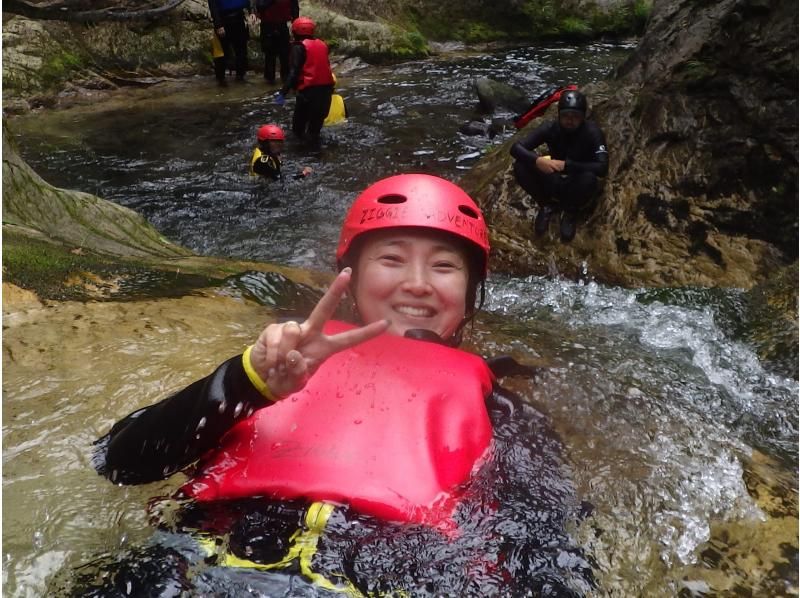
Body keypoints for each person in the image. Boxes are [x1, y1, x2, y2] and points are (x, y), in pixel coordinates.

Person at [87, 175, 594, 596]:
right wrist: (247, 381)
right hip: (206, 558)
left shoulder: (501, 410)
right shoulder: (274, 369)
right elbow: (120, 462)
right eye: (391, 259)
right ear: (349, 278)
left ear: (469, 293)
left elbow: (543, 548)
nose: (417, 282)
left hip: (397, 571)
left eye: (443, 266)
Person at [510, 89, 608, 243]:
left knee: (589, 179)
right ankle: (547, 205)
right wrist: (538, 161)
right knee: (520, 166)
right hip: (553, 178)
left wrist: (568, 165)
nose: (570, 120)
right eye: (566, 116)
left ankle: (570, 212)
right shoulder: (550, 128)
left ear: (583, 117)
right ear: (559, 115)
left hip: (576, 180)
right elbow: (516, 148)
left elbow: (602, 167)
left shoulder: (592, 132)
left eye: (575, 117)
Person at [275, 16, 334, 146]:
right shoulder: (322, 44)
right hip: (326, 93)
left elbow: (293, 73)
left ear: (295, 32)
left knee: (297, 131)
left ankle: (302, 156)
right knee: (314, 131)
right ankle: (317, 156)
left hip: (308, 94)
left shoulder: (298, 47)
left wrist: (283, 92)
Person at [208, 0, 253, 85]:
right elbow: (213, 7)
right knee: (222, 54)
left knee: (241, 51)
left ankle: (240, 76)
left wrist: (252, 12)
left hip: (239, 19)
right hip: (223, 21)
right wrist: (218, 25)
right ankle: (221, 78)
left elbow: (248, 2)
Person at [255, 0, 299, 85]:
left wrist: (295, 21)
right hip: (267, 25)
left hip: (282, 25)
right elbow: (259, 6)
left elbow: (294, 8)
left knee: (285, 53)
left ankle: (286, 78)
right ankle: (269, 79)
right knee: (269, 54)